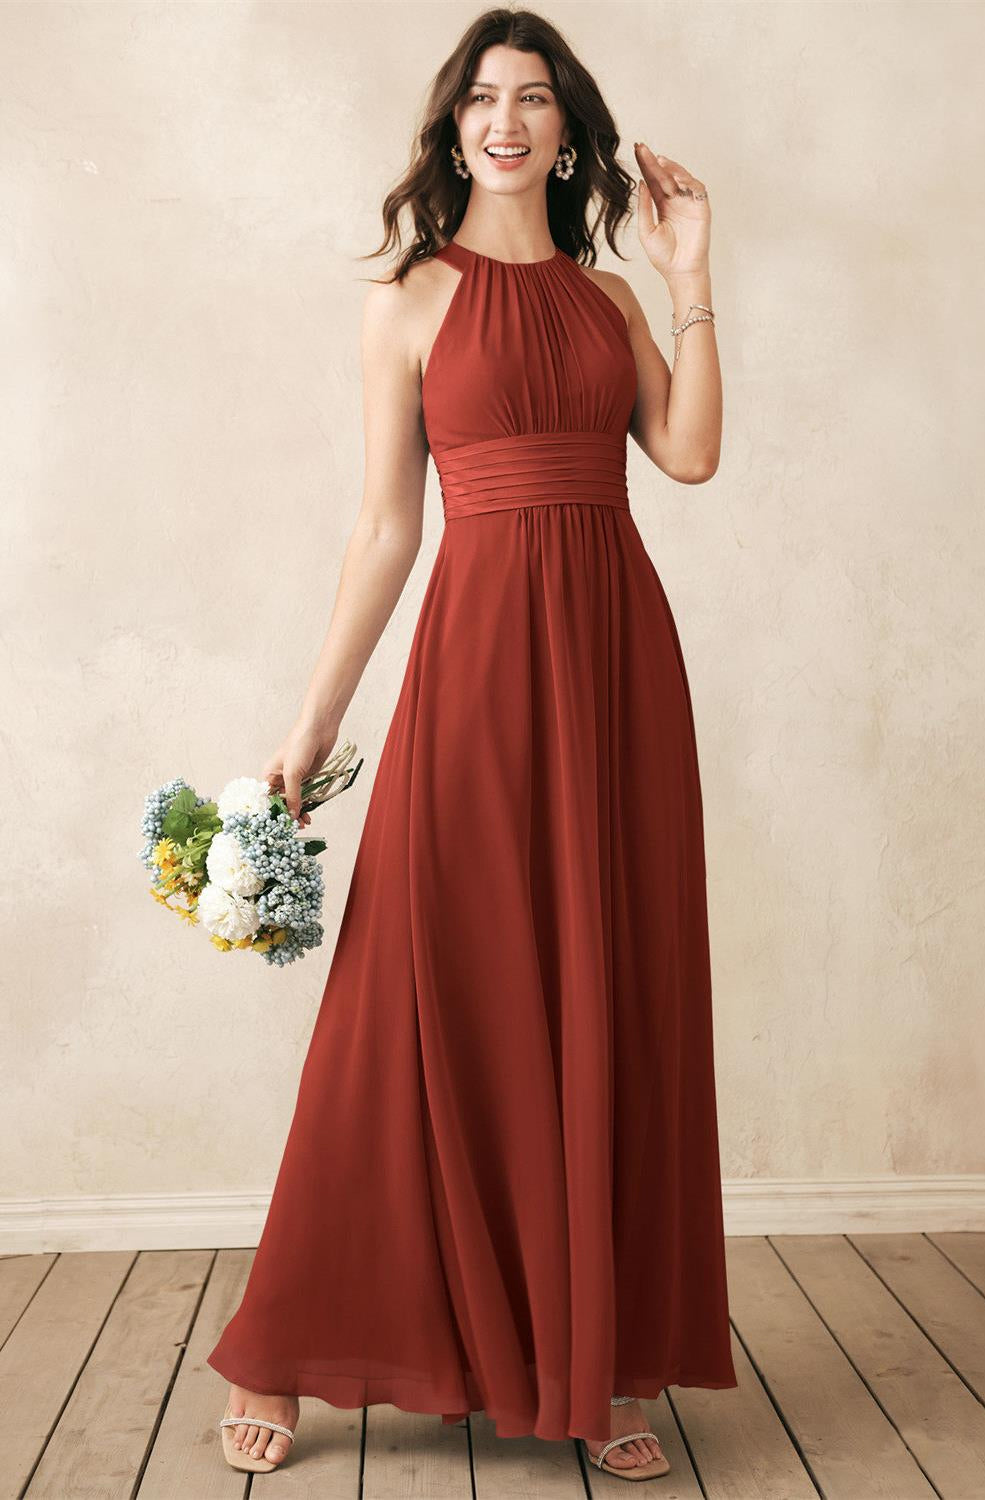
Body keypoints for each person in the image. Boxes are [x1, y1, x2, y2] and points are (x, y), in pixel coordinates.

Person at [208, 6, 736, 1482]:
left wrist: (689, 279)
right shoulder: (408, 303)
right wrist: (312, 724)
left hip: (619, 669)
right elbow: (386, 531)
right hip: (478, 668)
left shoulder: (611, 302)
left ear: (570, 129)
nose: (506, 120)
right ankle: (288, 1347)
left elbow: (685, 456)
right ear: (453, 130)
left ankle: (596, 1357)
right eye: (481, 100)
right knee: (418, 993)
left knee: (604, 992)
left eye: (534, 99)